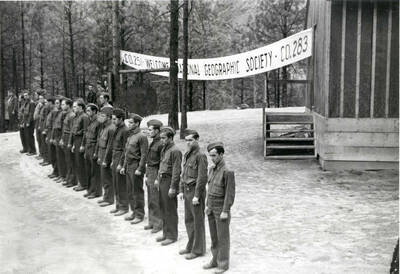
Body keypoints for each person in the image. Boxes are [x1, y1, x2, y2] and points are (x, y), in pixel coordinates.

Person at [203, 142, 235, 274]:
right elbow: (209, 189)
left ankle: (223, 263)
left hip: (221, 208)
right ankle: (215, 259)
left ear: (221, 154)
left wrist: (225, 211)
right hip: (211, 206)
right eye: (210, 156)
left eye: (214, 155)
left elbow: (230, 193)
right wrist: (207, 205)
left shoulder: (227, 171)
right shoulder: (211, 169)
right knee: (214, 236)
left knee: (223, 237)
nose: (212, 158)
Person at [178, 129, 208, 260]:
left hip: (196, 193)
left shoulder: (200, 156)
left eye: (190, 140)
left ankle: (198, 249)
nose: (188, 143)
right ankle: (190, 245)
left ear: (197, 139)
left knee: (197, 222)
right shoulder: (187, 155)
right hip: (187, 191)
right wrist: (180, 190)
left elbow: (202, 178)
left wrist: (197, 195)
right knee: (189, 221)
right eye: (186, 141)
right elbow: (183, 174)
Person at [154, 126, 182, 246]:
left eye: (164, 138)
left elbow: (176, 171)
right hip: (162, 180)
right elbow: (161, 166)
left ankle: (172, 235)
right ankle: (166, 233)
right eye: (160, 138)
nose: (162, 140)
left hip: (169, 181)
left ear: (170, 138)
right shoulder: (165, 149)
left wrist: (173, 187)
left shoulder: (175, 151)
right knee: (163, 207)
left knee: (170, 209)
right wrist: (157, 179)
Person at [119, 113, 148, 224]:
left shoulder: (142, 136)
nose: (129, 124)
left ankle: (139, 214)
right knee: (130, 190)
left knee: (137, 191)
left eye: (131, 122)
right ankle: (134, 212)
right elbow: (127, 152)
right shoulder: (131, 136)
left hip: (136, 166)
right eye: (128, 122)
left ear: (137, 123)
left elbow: (144, 155)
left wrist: (140, 169)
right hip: (129, 166)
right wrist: (124, 166)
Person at [107, 108, 129, 216]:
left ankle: (124, 207)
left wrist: (121, 164)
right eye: (112, 119)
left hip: (121, 157)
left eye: (115, 119)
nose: (113, 121)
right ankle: (118, 205)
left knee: (121, 184)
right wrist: (112, 160)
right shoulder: (117, 128)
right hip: (115, 157)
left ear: (121, 119)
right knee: (115, 183)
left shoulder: (125, 130)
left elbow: (126, 149)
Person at [144, 119, 164, 233]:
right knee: (151, 198)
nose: (149, 132)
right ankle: (152, 221)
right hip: (150, 170)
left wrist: (157, 177)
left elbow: (162, 161)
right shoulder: (153, 142)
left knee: (156, 199)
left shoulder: (160, 143)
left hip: (156, 171)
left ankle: (158, 223)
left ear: (157, 131)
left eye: (150, 130)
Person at [80, 103, 102, 198]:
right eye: (87, 111)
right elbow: (86, 135)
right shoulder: (89, 121)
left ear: (94, 111)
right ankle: (90, 190)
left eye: (89, 110)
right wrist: (84, 148)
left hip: (93, 147)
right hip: (88, 147)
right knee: (88, 170)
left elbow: (98, 139)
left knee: (95, 171)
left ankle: (96, 191)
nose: (87, 112)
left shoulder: (98, 122)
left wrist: (96, 152)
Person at [95, 106, 115, 207]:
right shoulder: (104, 127)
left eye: (103, 115)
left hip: (107, 156)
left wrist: (106, 160)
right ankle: (106, 197)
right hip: (102, 154)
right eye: (100, 115)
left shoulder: (111, 128)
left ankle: (109, 199)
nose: (100, 117)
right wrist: (99, 156)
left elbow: (110, 146)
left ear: (109, 117)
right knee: (104, 178)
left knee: (107, 178)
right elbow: (100, 143)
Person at [70, 100, 89, 191]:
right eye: (73, 107)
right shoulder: (76, 117)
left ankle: (84, 184)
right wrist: (74, 144)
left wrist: (83, 145)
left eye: (75, 106)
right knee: (77, 162)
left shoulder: (84, 117)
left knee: (81, 163)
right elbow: (73, 131)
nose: (73, 108)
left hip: (81, 140)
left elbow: (86, 132)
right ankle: (80, 182)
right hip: (76, 140)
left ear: (81, 107)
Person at [60, 99, 77, 188]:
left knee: (70, 160)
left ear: (68, 105)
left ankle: (72, 180)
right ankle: (68, 177)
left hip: (69, 138)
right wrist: (62, 139)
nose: (61, 106)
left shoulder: (72, 116)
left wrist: (70, 142)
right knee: (67, 159)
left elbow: (71, 131)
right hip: (65, 137)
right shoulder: (67, 115)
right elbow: (64, 128)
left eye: (63, 104)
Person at [51, 96, 68, 183]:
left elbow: (63, 128)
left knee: (62, 158)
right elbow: (55, 126)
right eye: (59, 104)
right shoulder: (59, 113)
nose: (60, 105)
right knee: (59, 157)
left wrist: (61, 139)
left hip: (61, 137)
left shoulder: (64, 114)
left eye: (61, 104)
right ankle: (61, 175)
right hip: (57, 137)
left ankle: (64, 176)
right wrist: (54, 137)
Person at [46, 98, 61, 178]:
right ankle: (55, 171)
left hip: (55, 135)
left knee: (55, 155)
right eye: (55, 103)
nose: (55, 105)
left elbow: (55, 126)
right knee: (52, 154)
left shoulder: (57, 112)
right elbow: (49, 124)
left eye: (57, 103)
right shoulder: (52, 112)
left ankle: (57, 172)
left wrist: (52, 137)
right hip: (50, 133)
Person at [39, 96, 54, 166]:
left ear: (50, 103)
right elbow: (45, 119)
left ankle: (48, 160)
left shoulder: (53, 110)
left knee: (48, 146)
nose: (46, 104)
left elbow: (51, 122)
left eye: (47, 102)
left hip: (49, 131)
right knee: (44, 145)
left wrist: (46, 129)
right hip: (46, 130)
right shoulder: (48, 109)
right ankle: (46, 159)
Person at [22, 91, 37, 156]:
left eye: (26, 95)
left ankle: (33, 151)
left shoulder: (31, 103)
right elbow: (24, 113)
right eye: (24, 95)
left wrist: (28, 122)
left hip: (30, 122)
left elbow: (31, 113)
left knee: (30, 136)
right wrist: (23, 122)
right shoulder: (26, 102)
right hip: (26, 121)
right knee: (27, 136)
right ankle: (29, 149)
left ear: (29, 95)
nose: (25, 97)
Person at [33, 92, 45, 160]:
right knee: (38, 139)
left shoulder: (44, 106)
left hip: (41, 124)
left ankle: (42, 154)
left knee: (41, 139)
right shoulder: (38, 105)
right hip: (37, 123)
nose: (40, 99)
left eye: (41, 98)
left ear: (44, 99)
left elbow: (42, 116)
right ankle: (40, 153)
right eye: (39, 98)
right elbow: (35, 115)